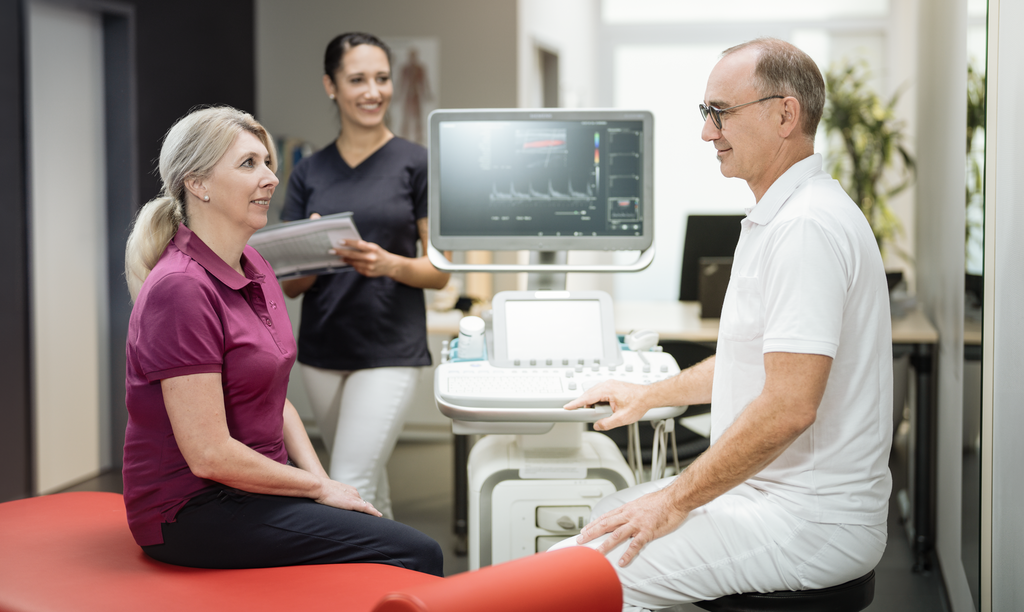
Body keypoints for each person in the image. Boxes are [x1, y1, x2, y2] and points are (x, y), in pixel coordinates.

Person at [555, 38, 892, 609]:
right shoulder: (781, 215)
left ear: (786, 114)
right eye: (705, 114)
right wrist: (648, 393)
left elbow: (789, 406)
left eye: (720, 113)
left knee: (575, 581)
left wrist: (675, 501)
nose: (707, 133)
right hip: (775, 495)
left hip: (809, 519)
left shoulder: (806, 227)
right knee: (602, 518)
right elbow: (749, 362)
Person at [122, 105, 443, 574]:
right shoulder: (181, 288)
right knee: (416, 552)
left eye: (268, 163)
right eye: (249, 164)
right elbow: (209, 455)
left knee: (383, 535)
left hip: (256, 490)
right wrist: (316, 490)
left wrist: (322, 480)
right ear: (198, 184)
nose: (271, 178)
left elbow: (276, 400)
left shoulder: (255, 266)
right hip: (191, 509)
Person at [280, 32, 449, 520]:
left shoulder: (416, 163)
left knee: (348, 484)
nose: (373, 91)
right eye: (357, 79)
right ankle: (394, 586)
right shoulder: (308, 171)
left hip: (388, 348)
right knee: (369, 486)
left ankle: (342, 595)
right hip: (322, 349)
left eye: (381, 78)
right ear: (331, 86)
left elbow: (440, 270)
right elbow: (292, 286)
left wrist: (388, 263)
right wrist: (309, 249)